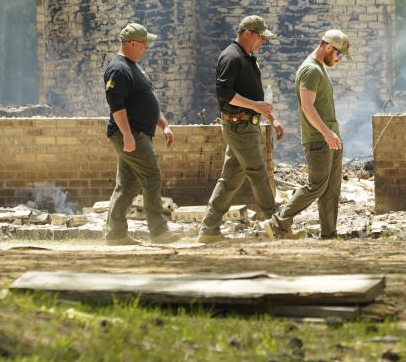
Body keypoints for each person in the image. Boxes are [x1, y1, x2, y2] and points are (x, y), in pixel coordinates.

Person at [197, 15, 285, 243]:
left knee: (230, 180)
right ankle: (277, 226)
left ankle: (209, 229)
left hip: (246, 125)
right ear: (247, 33)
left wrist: (271, 118)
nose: (263, 42)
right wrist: (256, 107)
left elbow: (255, 96)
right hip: (239, 126)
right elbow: (224, 92)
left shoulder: (248, 58)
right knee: (258, 173)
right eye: (260, 37)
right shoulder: (231, 57)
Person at [262, 29, 350, 240]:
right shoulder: (310, 70)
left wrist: (332, 134)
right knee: (316, 186)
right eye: (338, 55)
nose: (339, 60)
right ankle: (278, 221)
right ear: (329, 47)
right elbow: (307, 107)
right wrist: (327, 133)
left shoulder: (320, 67)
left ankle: (329, 233)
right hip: (319, 138)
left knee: (331, 189)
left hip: (330, 137)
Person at [102, 23, 181, 245]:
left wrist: (164, 125)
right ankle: (159, 231)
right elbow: (116, 106)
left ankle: (115, 234)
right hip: (131, 133)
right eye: (144, 44)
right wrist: (127, 134)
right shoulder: (118, 69)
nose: (147, 48)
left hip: (138, 133)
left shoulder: (135, 67)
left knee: (127, 185)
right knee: (152, 175)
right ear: (132, 43)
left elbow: (148, 100)